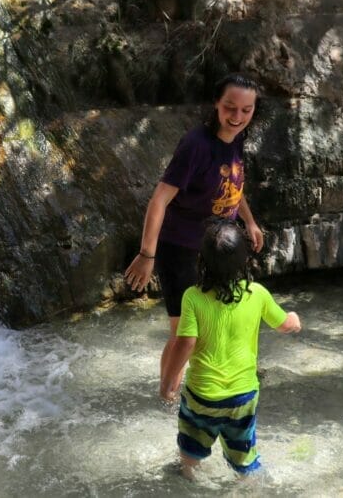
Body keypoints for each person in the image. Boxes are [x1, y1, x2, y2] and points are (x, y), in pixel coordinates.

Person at [124, 73, 264, 387]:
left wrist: (250, 221)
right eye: (230, 107)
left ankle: (209, 383)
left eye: (246, 110)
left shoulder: (237, 138)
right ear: (217, 103)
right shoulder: (195, 145)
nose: (237, 116)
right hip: (180, 249)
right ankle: (166, 394)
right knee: (184, 333)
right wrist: (148, 254)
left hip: (215, 250)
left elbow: (233, 186)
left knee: (217, 322)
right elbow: (159, 199)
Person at [159, 218, 301, 478]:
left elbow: (185, 343)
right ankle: (251, 486)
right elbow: (284, 325)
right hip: (242, 397)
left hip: (202, 397)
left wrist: (168, 382)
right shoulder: (256, 293)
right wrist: (294, 320)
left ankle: (190, 477)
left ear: (201, 261)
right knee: (244, 459)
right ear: (245, 260)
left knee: (190, 454)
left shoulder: (193, 297)